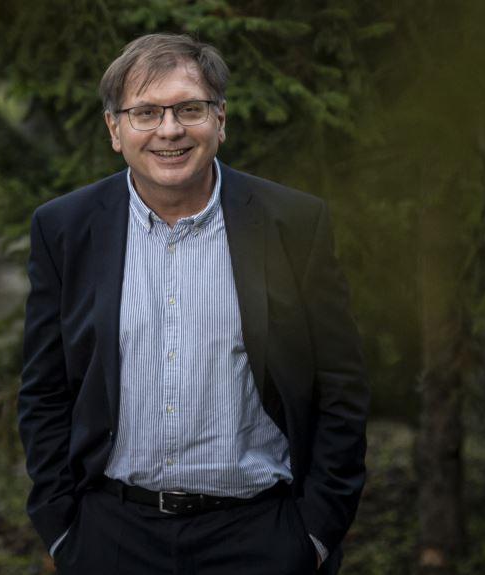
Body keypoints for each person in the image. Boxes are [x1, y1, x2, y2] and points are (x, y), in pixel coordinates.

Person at [18, 32, 369, 575]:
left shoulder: (293, 224)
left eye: (190, 108)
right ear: (114, 129)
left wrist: (316, 533)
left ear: (220, 120)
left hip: (261, 536)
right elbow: (44, 390)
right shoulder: (65, 230)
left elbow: (340, 384)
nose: (170, 130)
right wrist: (63, 530)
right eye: (146, 112)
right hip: (113, 539)